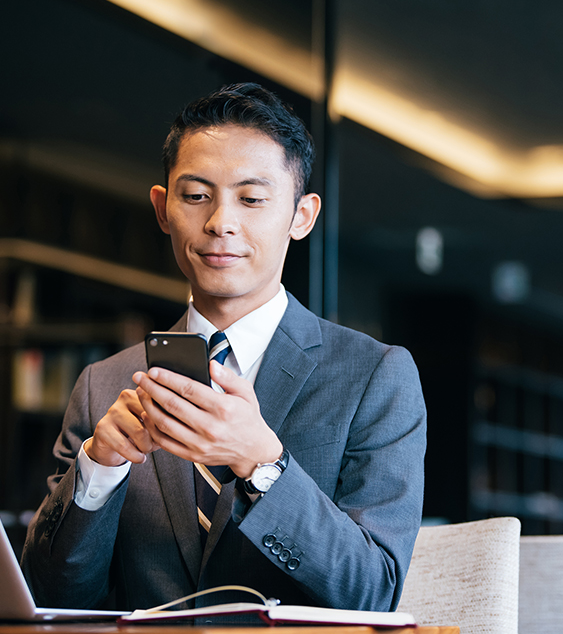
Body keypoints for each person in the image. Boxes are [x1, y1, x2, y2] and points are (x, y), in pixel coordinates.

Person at [21, 83, 427, 614]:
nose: (220, 222)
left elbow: (372, 592)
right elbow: (49, 599)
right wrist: (100, 466)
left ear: (301, 217)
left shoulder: (374, 377)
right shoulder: (104, 385)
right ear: (163, 209)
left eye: (253, 199)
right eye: (195, 196)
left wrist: (262, 463)